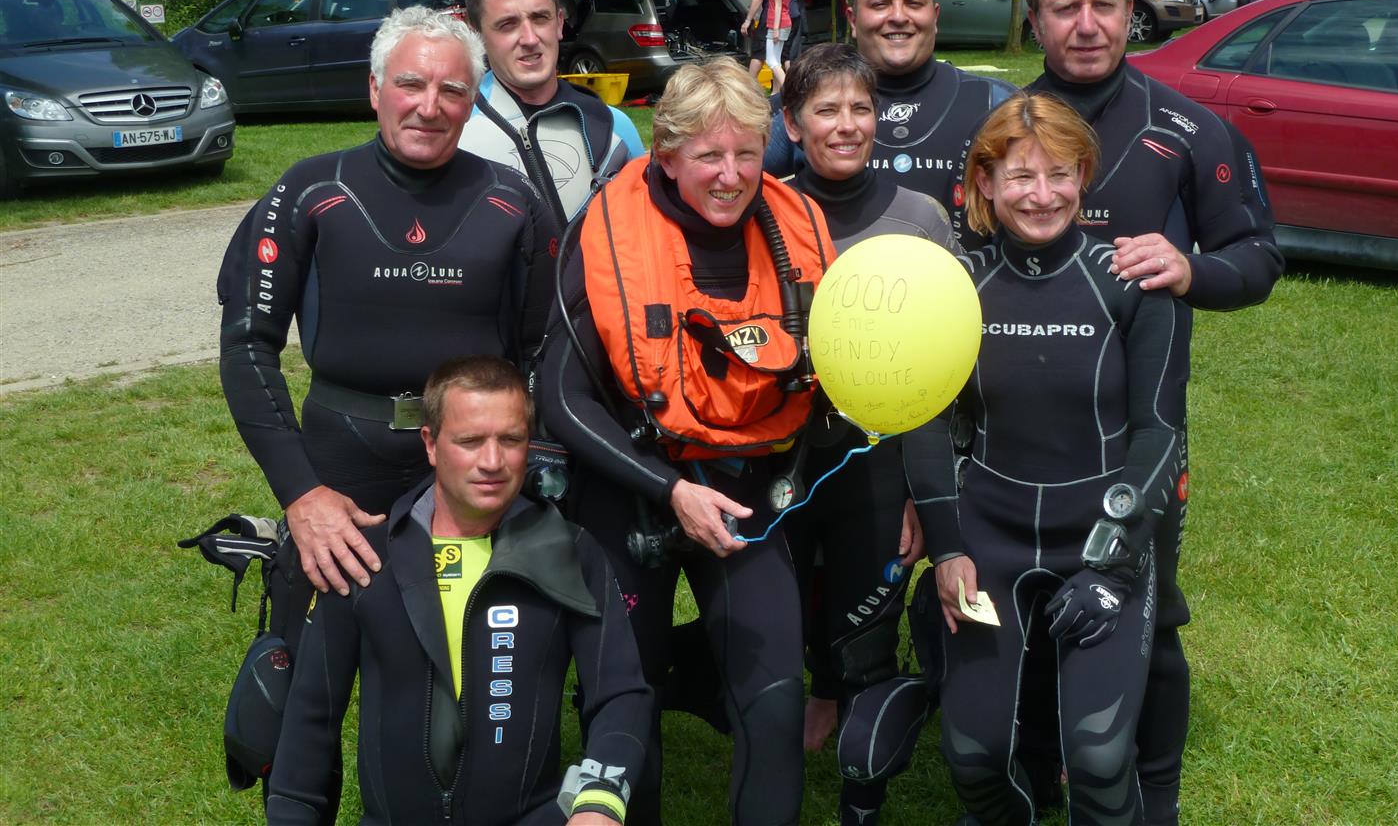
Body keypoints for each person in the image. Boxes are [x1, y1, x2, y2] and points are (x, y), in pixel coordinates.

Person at [949, 0, 1284, 826]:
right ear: (1035, 18)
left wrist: (1192, 271)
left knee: (1150, 607)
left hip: (1135, 423)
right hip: (1016, 426)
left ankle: (1155, 792)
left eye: (1105, 5)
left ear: (1132, 11)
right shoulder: (1001, 134)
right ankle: (1038, 770)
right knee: (1025, 617)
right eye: (1066, 8)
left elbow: (1258, 255)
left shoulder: (1186, 128)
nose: (1087, 24)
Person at [217, 4, 558, 683]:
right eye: (410, 84)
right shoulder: (310, 189)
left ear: (472, 101)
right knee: (299, 675)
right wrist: (301, 494)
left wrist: (529, 470)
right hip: (339, 465)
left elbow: (542, 354)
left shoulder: (514, 200)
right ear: (375, 89)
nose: (429, 106)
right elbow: (248, 344)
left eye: (452, 90)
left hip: (469, 466)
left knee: (465, 672)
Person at [542, 56, 836, 825]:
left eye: (746, 153)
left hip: (743, 492)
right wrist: (667, 489)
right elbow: (559, 397)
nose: (731, 175)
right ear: (666, 155)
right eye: (708, 155)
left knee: (774, 707)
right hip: (629, 490)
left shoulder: (796, 224)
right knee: (624, 708)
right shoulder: (604, 231)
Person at [936, 92, 1185, 826]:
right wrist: (947, 547)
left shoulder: (1135, 281)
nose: (1040, 195)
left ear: (1084, 174)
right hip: (990, 540)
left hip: (1100, 539)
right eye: (1019, 176)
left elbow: (1160, 434)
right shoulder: (958, 287)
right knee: (973, 759)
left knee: (1102, 762)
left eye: (1058, 174)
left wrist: (1111, 568)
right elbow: (924, 427)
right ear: (985, 182)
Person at [266, 356, 652, 825]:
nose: (492, 462)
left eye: (510, 440)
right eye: (470, 441)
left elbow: (621, 693)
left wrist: (600, 803)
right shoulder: (367, 560)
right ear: (430, 444)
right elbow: (311, 719)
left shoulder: (568, 553)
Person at [776, 45, 961, 825]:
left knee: (866, 631)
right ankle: (800, 708)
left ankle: (863, 794)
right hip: (781, 458)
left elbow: (948, 365)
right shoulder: (767, 207)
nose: (846, 126)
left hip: (882, 463)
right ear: (792, 123)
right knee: (780, 621)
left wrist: (928, 487)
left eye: (860, 109)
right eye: (826, 110)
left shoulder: (920, 218)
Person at [764, 0, 1015, 193]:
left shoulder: (995, 103)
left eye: (913, 3)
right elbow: (733, 179)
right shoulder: (799, 103)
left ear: (935, 16)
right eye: (880, 4)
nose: (898, 17)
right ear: (853, 20)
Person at [460, 0, 633, 225]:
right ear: (477, 34)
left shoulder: (614, 127)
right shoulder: (456, 130)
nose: (530, 39)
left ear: (559, 23)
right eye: (508, 24)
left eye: (540, 18)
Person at [765, 0, 796, 91]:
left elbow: (777, 6)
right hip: (786, 21)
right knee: (777, 60)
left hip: (777, 23)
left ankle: (789, 90)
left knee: (771, 61)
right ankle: (775, 95)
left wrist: (775, 29)